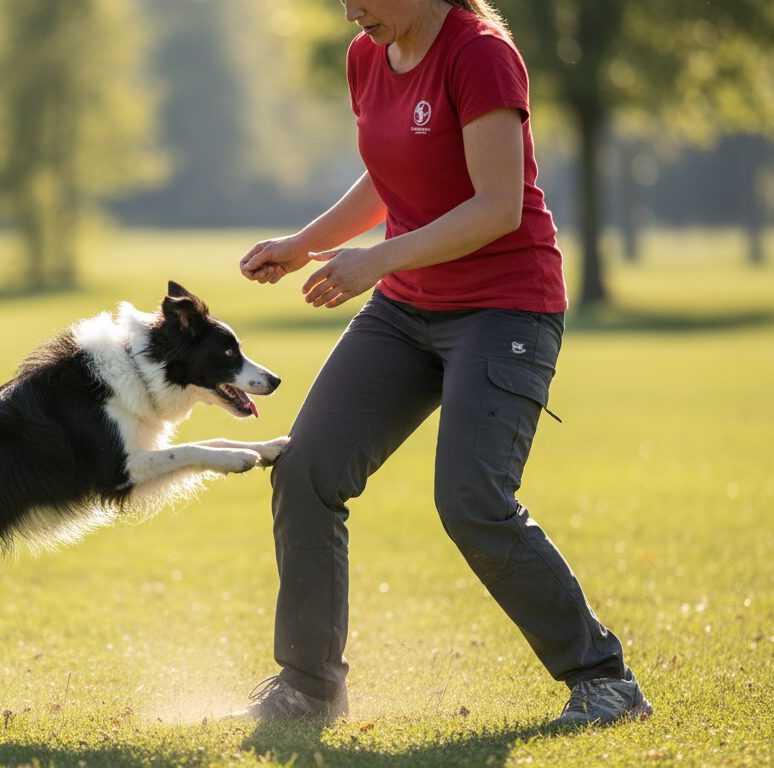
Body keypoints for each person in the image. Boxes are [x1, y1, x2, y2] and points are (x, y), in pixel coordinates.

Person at [231, 0, 652, 726]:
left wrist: (376, 260)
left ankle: (603, 679)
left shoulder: (480, 53)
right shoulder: (367, 55)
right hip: (406, 310)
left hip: (504, 308)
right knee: (305, 471)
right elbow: (390, 172)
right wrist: (306, 242)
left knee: (471, 500)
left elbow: (496, 207)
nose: (350, 8)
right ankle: (307, 688)